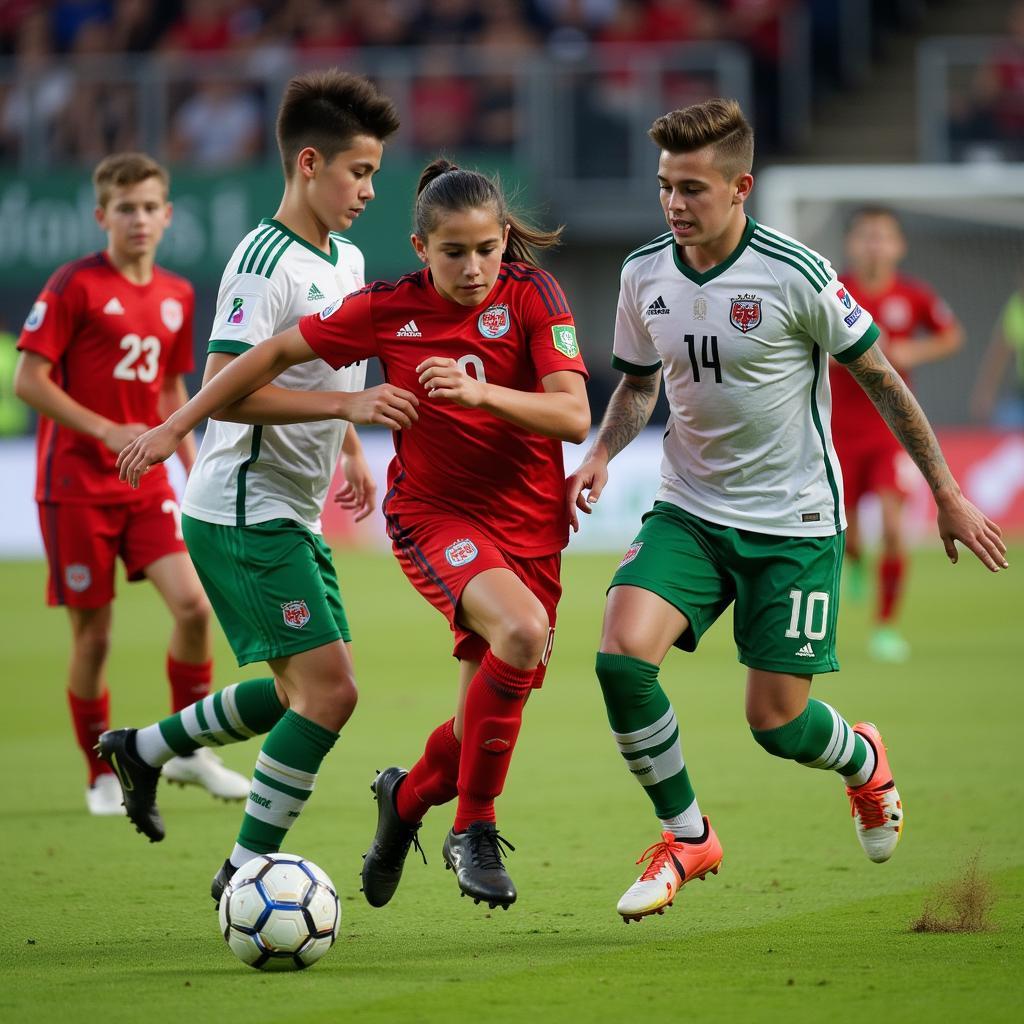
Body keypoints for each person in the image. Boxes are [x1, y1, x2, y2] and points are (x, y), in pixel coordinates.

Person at [566, 98, 1007, 924]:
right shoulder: (642, 274)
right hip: (689, 509)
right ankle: (687, 834)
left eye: (692, 188)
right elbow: (636, 382)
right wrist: (599, 453)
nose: (674, 205)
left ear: (741, 188)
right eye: (665, 187)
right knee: (621, 660)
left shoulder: (795, 273)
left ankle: (864, 759)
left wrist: (946, 491)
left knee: (776, 723)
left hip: (794, 525)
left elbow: (881, 378)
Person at [116, 158, 591, 911]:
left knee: (477, 730)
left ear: (506, 239)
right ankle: (473, 827)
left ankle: (403, 804)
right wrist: (178, 422)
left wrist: (479, 392)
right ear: (420, 247)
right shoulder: (385, 308)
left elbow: (572, 415)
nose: (473, 269)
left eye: (486, 250)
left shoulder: (534, 295)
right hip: (435, 517)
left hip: (530, 527)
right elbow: (269, 354)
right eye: (452, 253)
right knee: (520, 634)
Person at [95, 70, 408, 903]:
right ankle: (243, 872)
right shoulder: (262, 260)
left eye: (375, 173)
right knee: (330, 692)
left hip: (291, 509)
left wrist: (346, 445)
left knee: (290, 694)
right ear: (310, 163)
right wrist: (347, 403)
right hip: (243, 510)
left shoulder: (345, 255)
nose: (370, 190)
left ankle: (146, 747)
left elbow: (331, 358)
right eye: (359, 172)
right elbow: (228, 379)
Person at [13, 152, 246, 815]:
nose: (139, 219)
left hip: (146, 483)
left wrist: (194, 461)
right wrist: (106, 430)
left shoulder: (176, 294)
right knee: (96, 638)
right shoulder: (74, 285)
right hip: (75, 487)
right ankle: (102, 774)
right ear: (101, 216)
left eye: (149, 207)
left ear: (168, 215)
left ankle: (189, 748)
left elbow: (172, 385)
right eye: (125, 208)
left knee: (195, 608)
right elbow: (29, 380)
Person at [830, 207, 963, 662]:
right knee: (845, 534)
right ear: (852, 244)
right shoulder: (833, 290)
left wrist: (911, 350)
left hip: (891, 433)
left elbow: (950, 336)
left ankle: (885, 628)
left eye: (882, 237)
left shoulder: (913, 295)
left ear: (898, 246)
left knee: (891, 525)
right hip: (837, 432)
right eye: (866, 236)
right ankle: (856, 564)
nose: (874, 245)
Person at [971, 279, 1024, 429]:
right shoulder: (1016, 306)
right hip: (1021, 393)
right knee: (1005, 420)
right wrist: (986, 392)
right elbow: (999, 353)